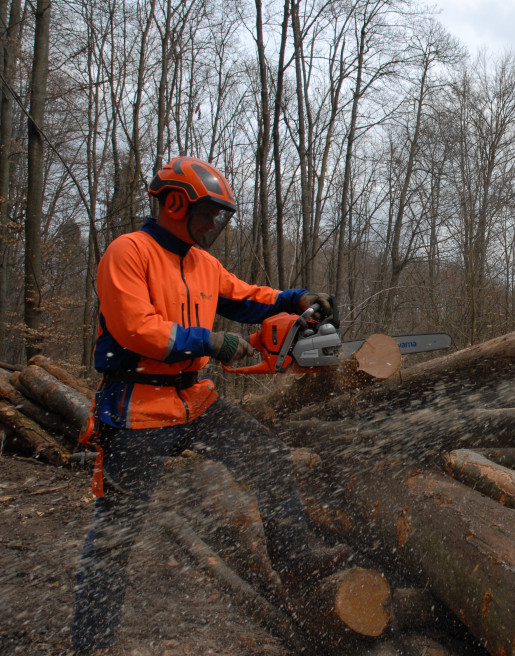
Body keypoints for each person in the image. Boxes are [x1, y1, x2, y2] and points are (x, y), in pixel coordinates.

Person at [71, 156, 349, 654]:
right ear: (175, 204)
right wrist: (210, 341)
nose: (214, 226)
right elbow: (137, 328)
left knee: (267, 456)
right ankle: (91, 642)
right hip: (138, 402)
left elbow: (246, 298)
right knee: (117, 531)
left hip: (192, 398)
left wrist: (294, 298)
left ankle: (293, 558)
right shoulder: (128, 252)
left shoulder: (203, 263)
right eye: (209, 215)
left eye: (221, 217)